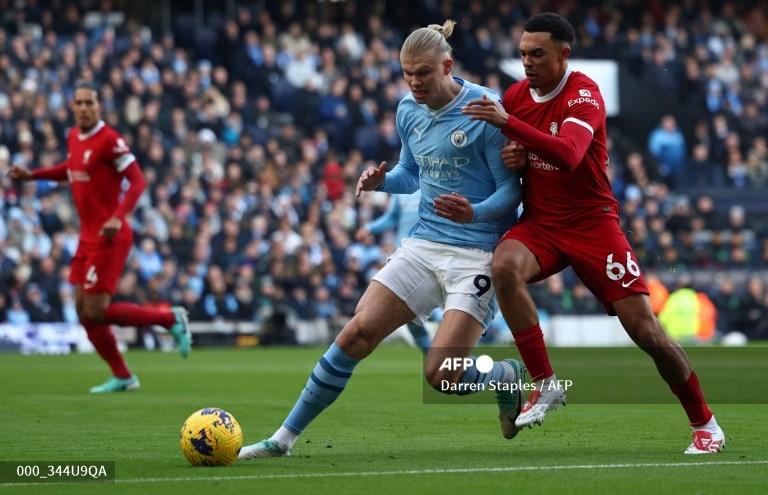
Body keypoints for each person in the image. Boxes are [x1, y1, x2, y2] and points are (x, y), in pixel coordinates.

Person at [240, 20, 523, 459]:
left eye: (424, 73)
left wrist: (475, 211)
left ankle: (504, 374)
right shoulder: (407, 109)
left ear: (447, 65)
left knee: (443, 376)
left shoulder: (484, 109)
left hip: (475, 252)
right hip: (424, 242)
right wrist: (381, 182)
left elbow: (512, 190)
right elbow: (411, 173)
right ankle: (282, 440)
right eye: (407, 73)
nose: (415, 82)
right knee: (356, 333)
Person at [462, 13, 724, 454]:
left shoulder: (583, 94)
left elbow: (568, 153)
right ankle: (544, 382)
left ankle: (706, 423)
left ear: (564, 54)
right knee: (504, 265)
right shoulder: (516, 96)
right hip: (542, 223)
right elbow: (525, 151)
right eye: (523, 53)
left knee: (647, 332)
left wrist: (508, 125)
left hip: (592, 224)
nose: (527, 62)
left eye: (537, 54)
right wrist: (516, 157)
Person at [9, 82, 191, 394]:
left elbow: (138, 182)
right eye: (77, 102)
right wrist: (33, 175)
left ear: (98, 106)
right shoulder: (73, 137)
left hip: (112, 235)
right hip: (87, 236)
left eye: (88, 103)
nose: (82, 108)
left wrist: (117, 217)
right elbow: (71, 169)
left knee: (96, 310)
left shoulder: (110, 140)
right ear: (72, 107)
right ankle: (123, 375)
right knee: (84, 311)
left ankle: (168, 318)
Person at [356, 190, 432, 353]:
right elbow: (392, 218)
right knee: (412, 316)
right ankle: (434, 357)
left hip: (429, 255)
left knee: (421, 309)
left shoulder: (436, 182)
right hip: (403, 256)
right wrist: (370, 228)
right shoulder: (402, 190)